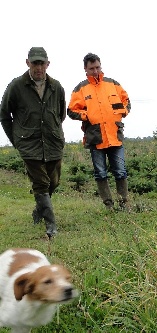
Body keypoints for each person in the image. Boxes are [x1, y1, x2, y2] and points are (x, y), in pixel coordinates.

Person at [0, 47, 66, 238]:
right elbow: (4, 115)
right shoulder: (16, 86)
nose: (38, 67)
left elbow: (60, 114)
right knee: (41, 183)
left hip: (53, 142)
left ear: (48, 64)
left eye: (41, 63)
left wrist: (52, 131)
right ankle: (51, 225)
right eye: (34, 63)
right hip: (29, 144)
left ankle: (39, 209)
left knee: (54, 181)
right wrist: (16, 140)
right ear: (27, 63)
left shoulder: (57, 87)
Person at [68, 53, 131, 210]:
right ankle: (108, 205)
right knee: (101, 173)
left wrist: (122, 111)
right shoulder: (80, 88)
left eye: (97, 67)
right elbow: (71, 110)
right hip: (95, 137)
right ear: (85, 69)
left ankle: (124, 203)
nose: (95, 71)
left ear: (100, 66)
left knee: (120, 171)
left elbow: (126, 100)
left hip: (115, 135)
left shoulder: (112, 84)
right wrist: (87, 115)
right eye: (91, 68)